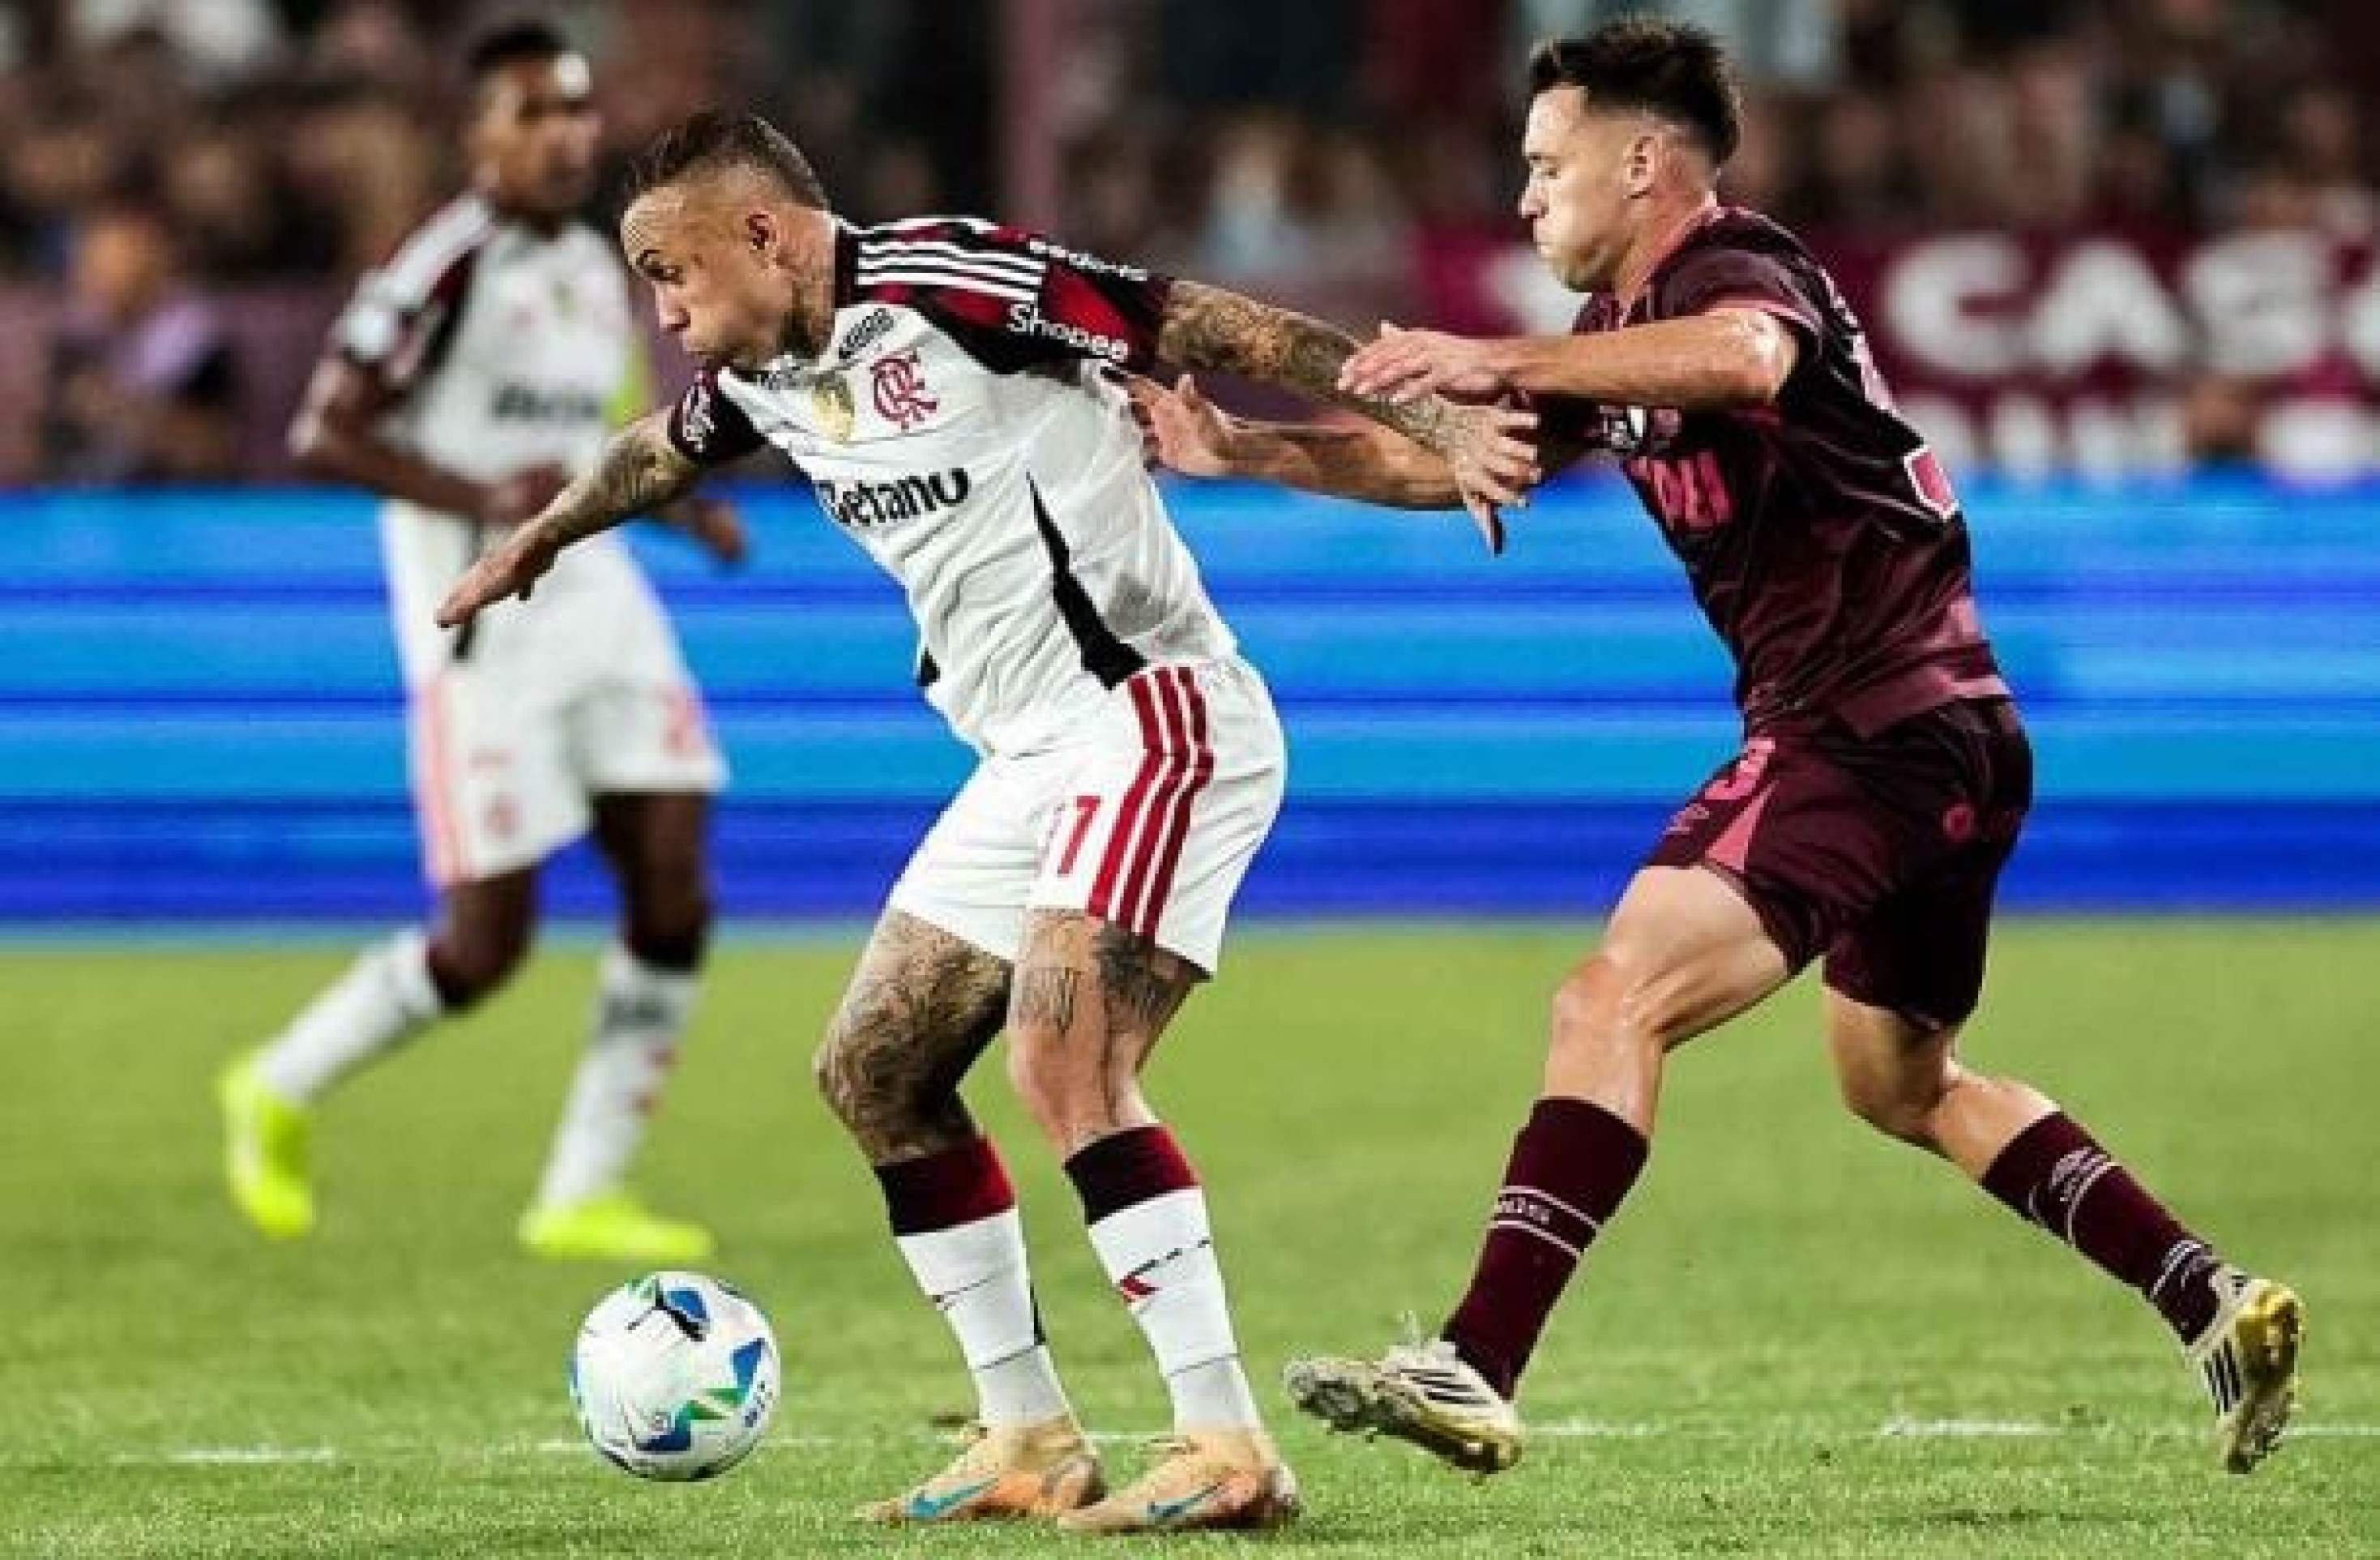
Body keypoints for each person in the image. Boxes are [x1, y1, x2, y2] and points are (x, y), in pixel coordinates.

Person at [1134, 19, 2303, 1479]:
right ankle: (2210, 1295)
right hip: (1952, 733)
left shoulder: (1724, 274)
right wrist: (1244, 450)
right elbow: (1456, 462)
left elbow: (1747, 362)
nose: (1523, 198)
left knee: (1607, 997)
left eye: (1544, 165)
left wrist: (1493, 349)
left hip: (1863, 729)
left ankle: (1474, 1360)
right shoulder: (1630, 338)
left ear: (1640, 162)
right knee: (1900, 1085)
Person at [437, 111, 1534, 1532]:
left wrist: (1427, 411)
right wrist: (542, 534)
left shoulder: (945, 283)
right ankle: (1027, 1433)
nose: (664, 310)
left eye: (674, 270)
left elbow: (1197, 318)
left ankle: (1227, 1442)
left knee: (1063, 1056)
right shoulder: (762, 366)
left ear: (765, 233)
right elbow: (662, 449)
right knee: (874, 1072)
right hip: (1024, 758)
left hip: (1154, 714)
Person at [216, 22, 747, 1264]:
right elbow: (323, 432)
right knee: (484, 942)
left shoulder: (597, 268)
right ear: (480, 136)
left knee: (673, 875)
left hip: (600, 599)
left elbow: (601, 440)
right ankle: (278, 1080)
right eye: (533, 113)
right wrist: (471, 489)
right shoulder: (438, 265)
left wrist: (689, 507)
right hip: (480, 628)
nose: (565, 133)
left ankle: (582, 1187)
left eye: (575, 110)